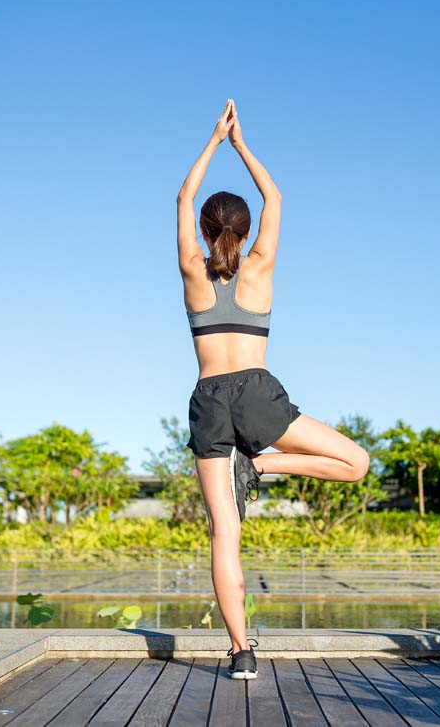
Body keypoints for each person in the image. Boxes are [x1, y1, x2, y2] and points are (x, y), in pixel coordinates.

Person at [175, 99, 371, 679]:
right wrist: (240, 145)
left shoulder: (192, 269)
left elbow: (182, 198)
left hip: (209, 401)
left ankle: (241, 653)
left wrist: (212, 141)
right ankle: (262, 465)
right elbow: (276, 198)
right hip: (257, 395)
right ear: (244, 230)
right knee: (356, 463)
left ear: (207, 230)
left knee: (224, 534)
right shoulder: (260, 264)